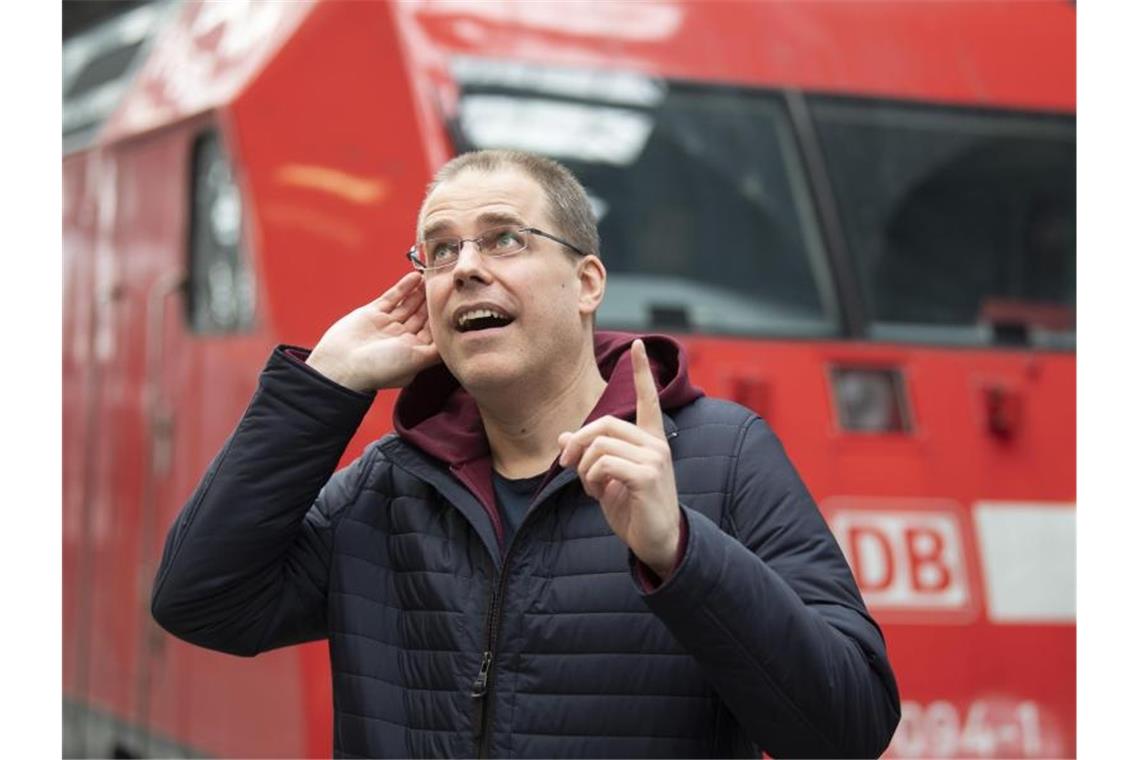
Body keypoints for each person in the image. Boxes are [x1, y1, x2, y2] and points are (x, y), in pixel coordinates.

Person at [151, 149, 900, 758]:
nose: (466, 266)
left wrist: (681, 554)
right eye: (440, 250)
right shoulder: (390, 483)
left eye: (504, 237)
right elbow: (202, 602)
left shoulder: (720, 456)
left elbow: (848, 728)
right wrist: (325, 385)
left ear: (586, 282)